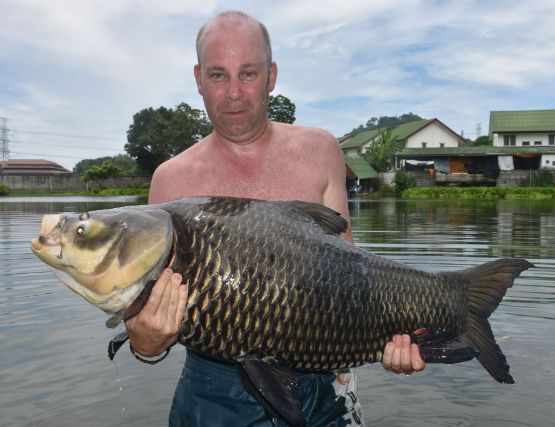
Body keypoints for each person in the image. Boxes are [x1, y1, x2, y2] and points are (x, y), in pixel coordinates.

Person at [124, 10, 425, 426]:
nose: (233, 92)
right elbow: (145, 336)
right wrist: (146, 339)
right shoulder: (170, 181)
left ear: (271, 75)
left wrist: (394, 339)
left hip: (325, 379)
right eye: (217, 75)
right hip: (214, 389)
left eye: (247, 74)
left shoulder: (319, 150)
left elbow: (352, 275)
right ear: (197, 79)